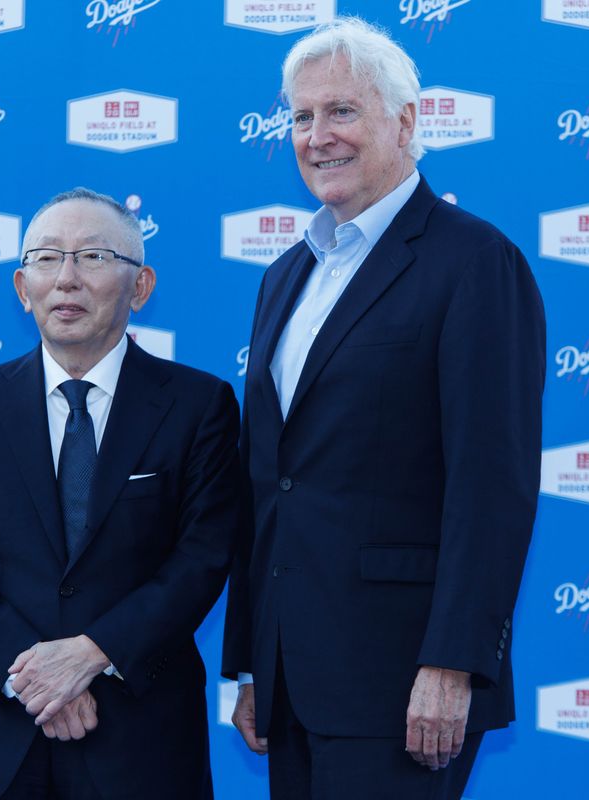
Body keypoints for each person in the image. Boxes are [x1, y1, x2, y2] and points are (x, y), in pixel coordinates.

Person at [222, 17, 546, 800]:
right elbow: (271, 481)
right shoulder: (285, 276)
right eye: (300, 116)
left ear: (405, 122)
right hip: (296, 677)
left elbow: (491, 483)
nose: (316, 135)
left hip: (403, 680)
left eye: (341, 111)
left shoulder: (474, 262)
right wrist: (254, 659)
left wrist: (455, 662)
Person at [0, 188, 240, 800]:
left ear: (140, 286)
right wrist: (37, 678)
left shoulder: (199, 407)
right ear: (21, 287)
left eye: (93, 257)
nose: (66, 279)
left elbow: (201, 559)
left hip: (141, 740)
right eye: (46, 259)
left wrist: (93, 653)